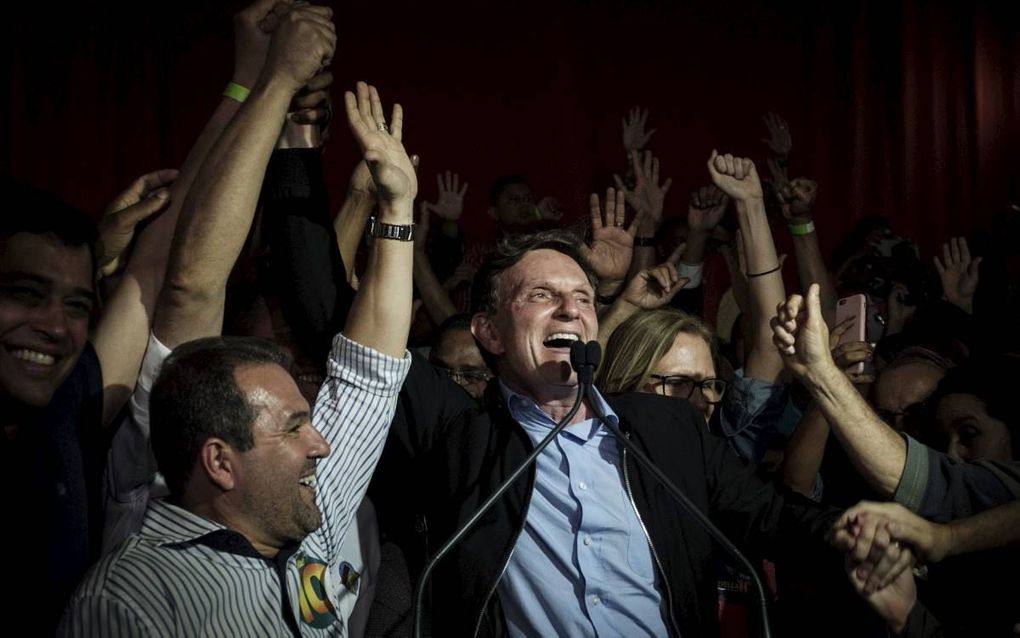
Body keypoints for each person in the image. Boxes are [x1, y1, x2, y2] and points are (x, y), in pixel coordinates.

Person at [360, 149, 875, 636]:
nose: (569, 309)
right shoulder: (460, 432)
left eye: (582, 298)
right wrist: (390, 205)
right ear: (489, 333)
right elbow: (340, 322)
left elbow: (776, 517)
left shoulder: (666, 428)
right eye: (541, 295)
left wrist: (870, 536)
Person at [59, 11, 416, 636]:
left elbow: (370, 377)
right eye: (295, 427)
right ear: (220, 463)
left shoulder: (310, 499)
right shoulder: (134, 595)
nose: (323, 444)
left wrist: (394, 207)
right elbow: (190, 284)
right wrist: (269, 80)